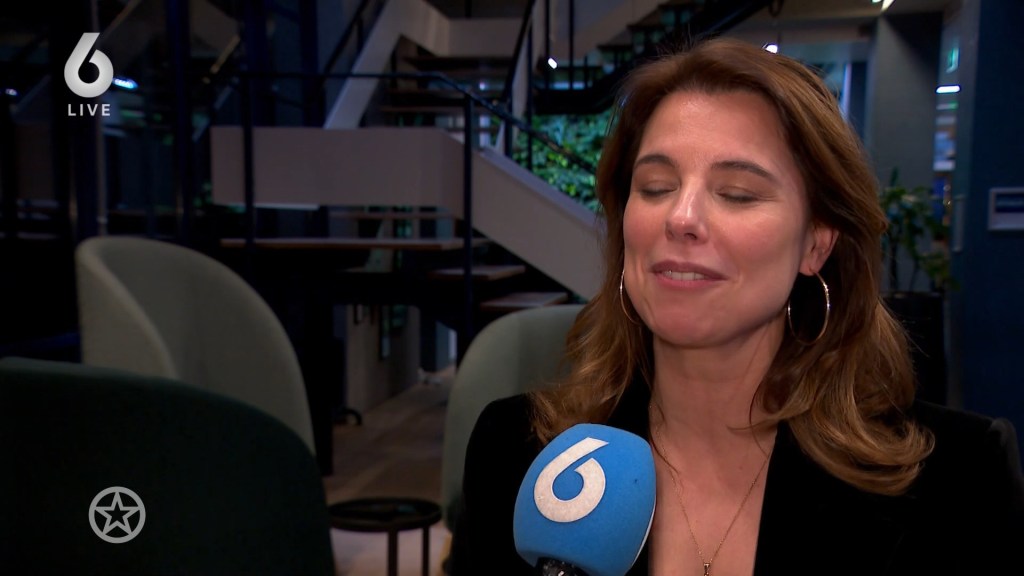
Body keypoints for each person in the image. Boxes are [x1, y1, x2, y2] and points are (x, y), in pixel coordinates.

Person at [448, 37, 1024, 575]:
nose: (681, 218)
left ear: (816, 244)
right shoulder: (517, 454)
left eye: (738, 194)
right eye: (655, 187)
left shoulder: (960, 478)